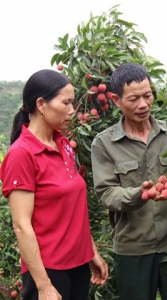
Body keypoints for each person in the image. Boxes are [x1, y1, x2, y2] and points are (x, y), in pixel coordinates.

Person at [90, 63, 167, 300]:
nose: (143, 104)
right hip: (133, 250)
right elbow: (106, 193)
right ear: (116, 100)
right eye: (133, 99)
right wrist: (138, 194)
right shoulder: (104, 143)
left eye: (147, 96)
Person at [0, 69, 108, 300]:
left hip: (77, 264)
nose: (72, 110)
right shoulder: (22, 153)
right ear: (41, 104)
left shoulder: (63, 144)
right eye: (66, 102)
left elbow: (72, 209)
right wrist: (44, 286)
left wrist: (91, 253)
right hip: (49, 269)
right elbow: (21, 226)